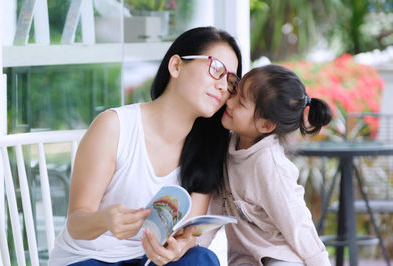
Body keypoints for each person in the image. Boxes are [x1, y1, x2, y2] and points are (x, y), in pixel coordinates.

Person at [48, 26, 242, 266]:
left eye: (231, 81)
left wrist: (179, 248)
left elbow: (188, 233)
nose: (224, 87)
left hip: (149, 260)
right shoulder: (114, 127)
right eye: (216, 69)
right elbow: (76, 223)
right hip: (89, 258)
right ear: (176, 66)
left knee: (202, 258)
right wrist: (105, 220)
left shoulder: (210, 146)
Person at [201, 64, 333, 266]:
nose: (230, 102)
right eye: (235, 91)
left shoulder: (269, 166)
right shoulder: (229, 146)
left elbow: (297, 223)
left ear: (265, 125)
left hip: (282, 258)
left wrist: (320, 262)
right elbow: (217, 207)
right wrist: (192, 246)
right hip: (245, 259)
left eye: (241, 103)